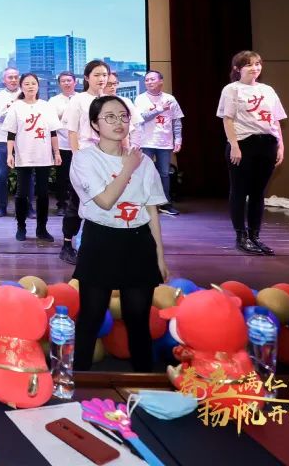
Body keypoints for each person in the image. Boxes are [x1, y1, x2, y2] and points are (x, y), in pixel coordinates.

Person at [70, 95, 169, 373]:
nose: (119, 122)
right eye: (110, 117)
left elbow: (151, 210)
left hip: (138, 242)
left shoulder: (144, 161)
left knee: (138, 320)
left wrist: (160, 256)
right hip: (100, 241)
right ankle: (78, 381)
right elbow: (104, 201)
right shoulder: (84, 159)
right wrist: (127, 168)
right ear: (95, 124)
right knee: (91, 317)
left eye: (124, 116)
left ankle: (143, 383)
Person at [217, 50, 286, 256]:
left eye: (257, 64)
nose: (255, 68)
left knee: (258, 193)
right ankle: (241, 236)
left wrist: (281, 145)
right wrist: (234, 145)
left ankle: (254, 236)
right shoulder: (232, 89)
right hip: (243, 143)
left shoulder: (268, 90)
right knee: (239, 191)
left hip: (268, 143)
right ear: (237, 68)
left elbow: (276, 120)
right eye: (249, 64)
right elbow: (227, 119)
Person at [59, 60, 110, 265]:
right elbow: (72, 132)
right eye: (97, 75)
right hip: (85, 157)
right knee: (77, 201)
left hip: (106, 159)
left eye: (104, 75)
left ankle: (96, 244)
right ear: (87, 78)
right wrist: (78, 157)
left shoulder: (110, 100)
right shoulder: (78, 100)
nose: (101, 79)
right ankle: (67, 245)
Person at [4, 73, 61, 242]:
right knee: (22, 193)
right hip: (24, 154)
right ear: (21, 87)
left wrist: (57, 152)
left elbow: (53, 132)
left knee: (43, 194)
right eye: (27, 84)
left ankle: (42, 229)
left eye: (33, 83)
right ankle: (21, 227)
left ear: (38, 86)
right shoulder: (16, 107)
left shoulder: (46, 106)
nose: (30, 86)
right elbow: (11, 134)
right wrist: (10, 154)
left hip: (43, 155)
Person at [133, 71, 184, 216]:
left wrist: (178, 139)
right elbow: (141, 118)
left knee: (164, 174)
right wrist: (159, 109)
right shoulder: (140, 99)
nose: (149, 82)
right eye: (147, 80)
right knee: (145, 173)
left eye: (152, 79)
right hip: (146, 142)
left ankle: (165, 203)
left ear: (161, 81)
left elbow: (176, 120)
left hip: (164, 142)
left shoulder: (170, 99)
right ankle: (144, 203)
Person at [0, 67, 22, 217]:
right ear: (4, 80)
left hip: (24, 140)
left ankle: (27, 207)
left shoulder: (27, 93)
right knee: (1, 176)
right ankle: (1, 206)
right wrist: (14, 105)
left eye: (16, 77)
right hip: (3, 139)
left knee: (27, 176)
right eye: (10, 77)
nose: (13, 80)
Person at [48, 71, 77, 214]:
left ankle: (77, 204)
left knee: (78, 176)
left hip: (79, 145)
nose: (66, 83)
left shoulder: (82, 98)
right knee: (62, 176)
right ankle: (61, 204)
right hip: (62, 144)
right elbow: (50, 122)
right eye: (63, 81)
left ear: (75, 82)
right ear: (59, 84)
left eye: (69, 80)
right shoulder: (53, 101)